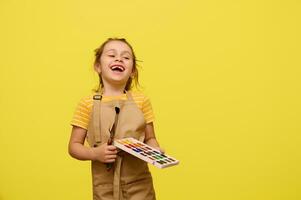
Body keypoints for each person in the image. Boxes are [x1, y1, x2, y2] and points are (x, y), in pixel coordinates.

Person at [68, 38, 162, 200]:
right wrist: (95, 153)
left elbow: (150, 138)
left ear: (132, 70)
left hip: (139, 185)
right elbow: (74, 146)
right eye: (112, 55)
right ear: (98, 66)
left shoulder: (141, 101)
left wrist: (155, 151)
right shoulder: (87, 103)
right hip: (105, 187)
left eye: (126, 57)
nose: (119, 59)